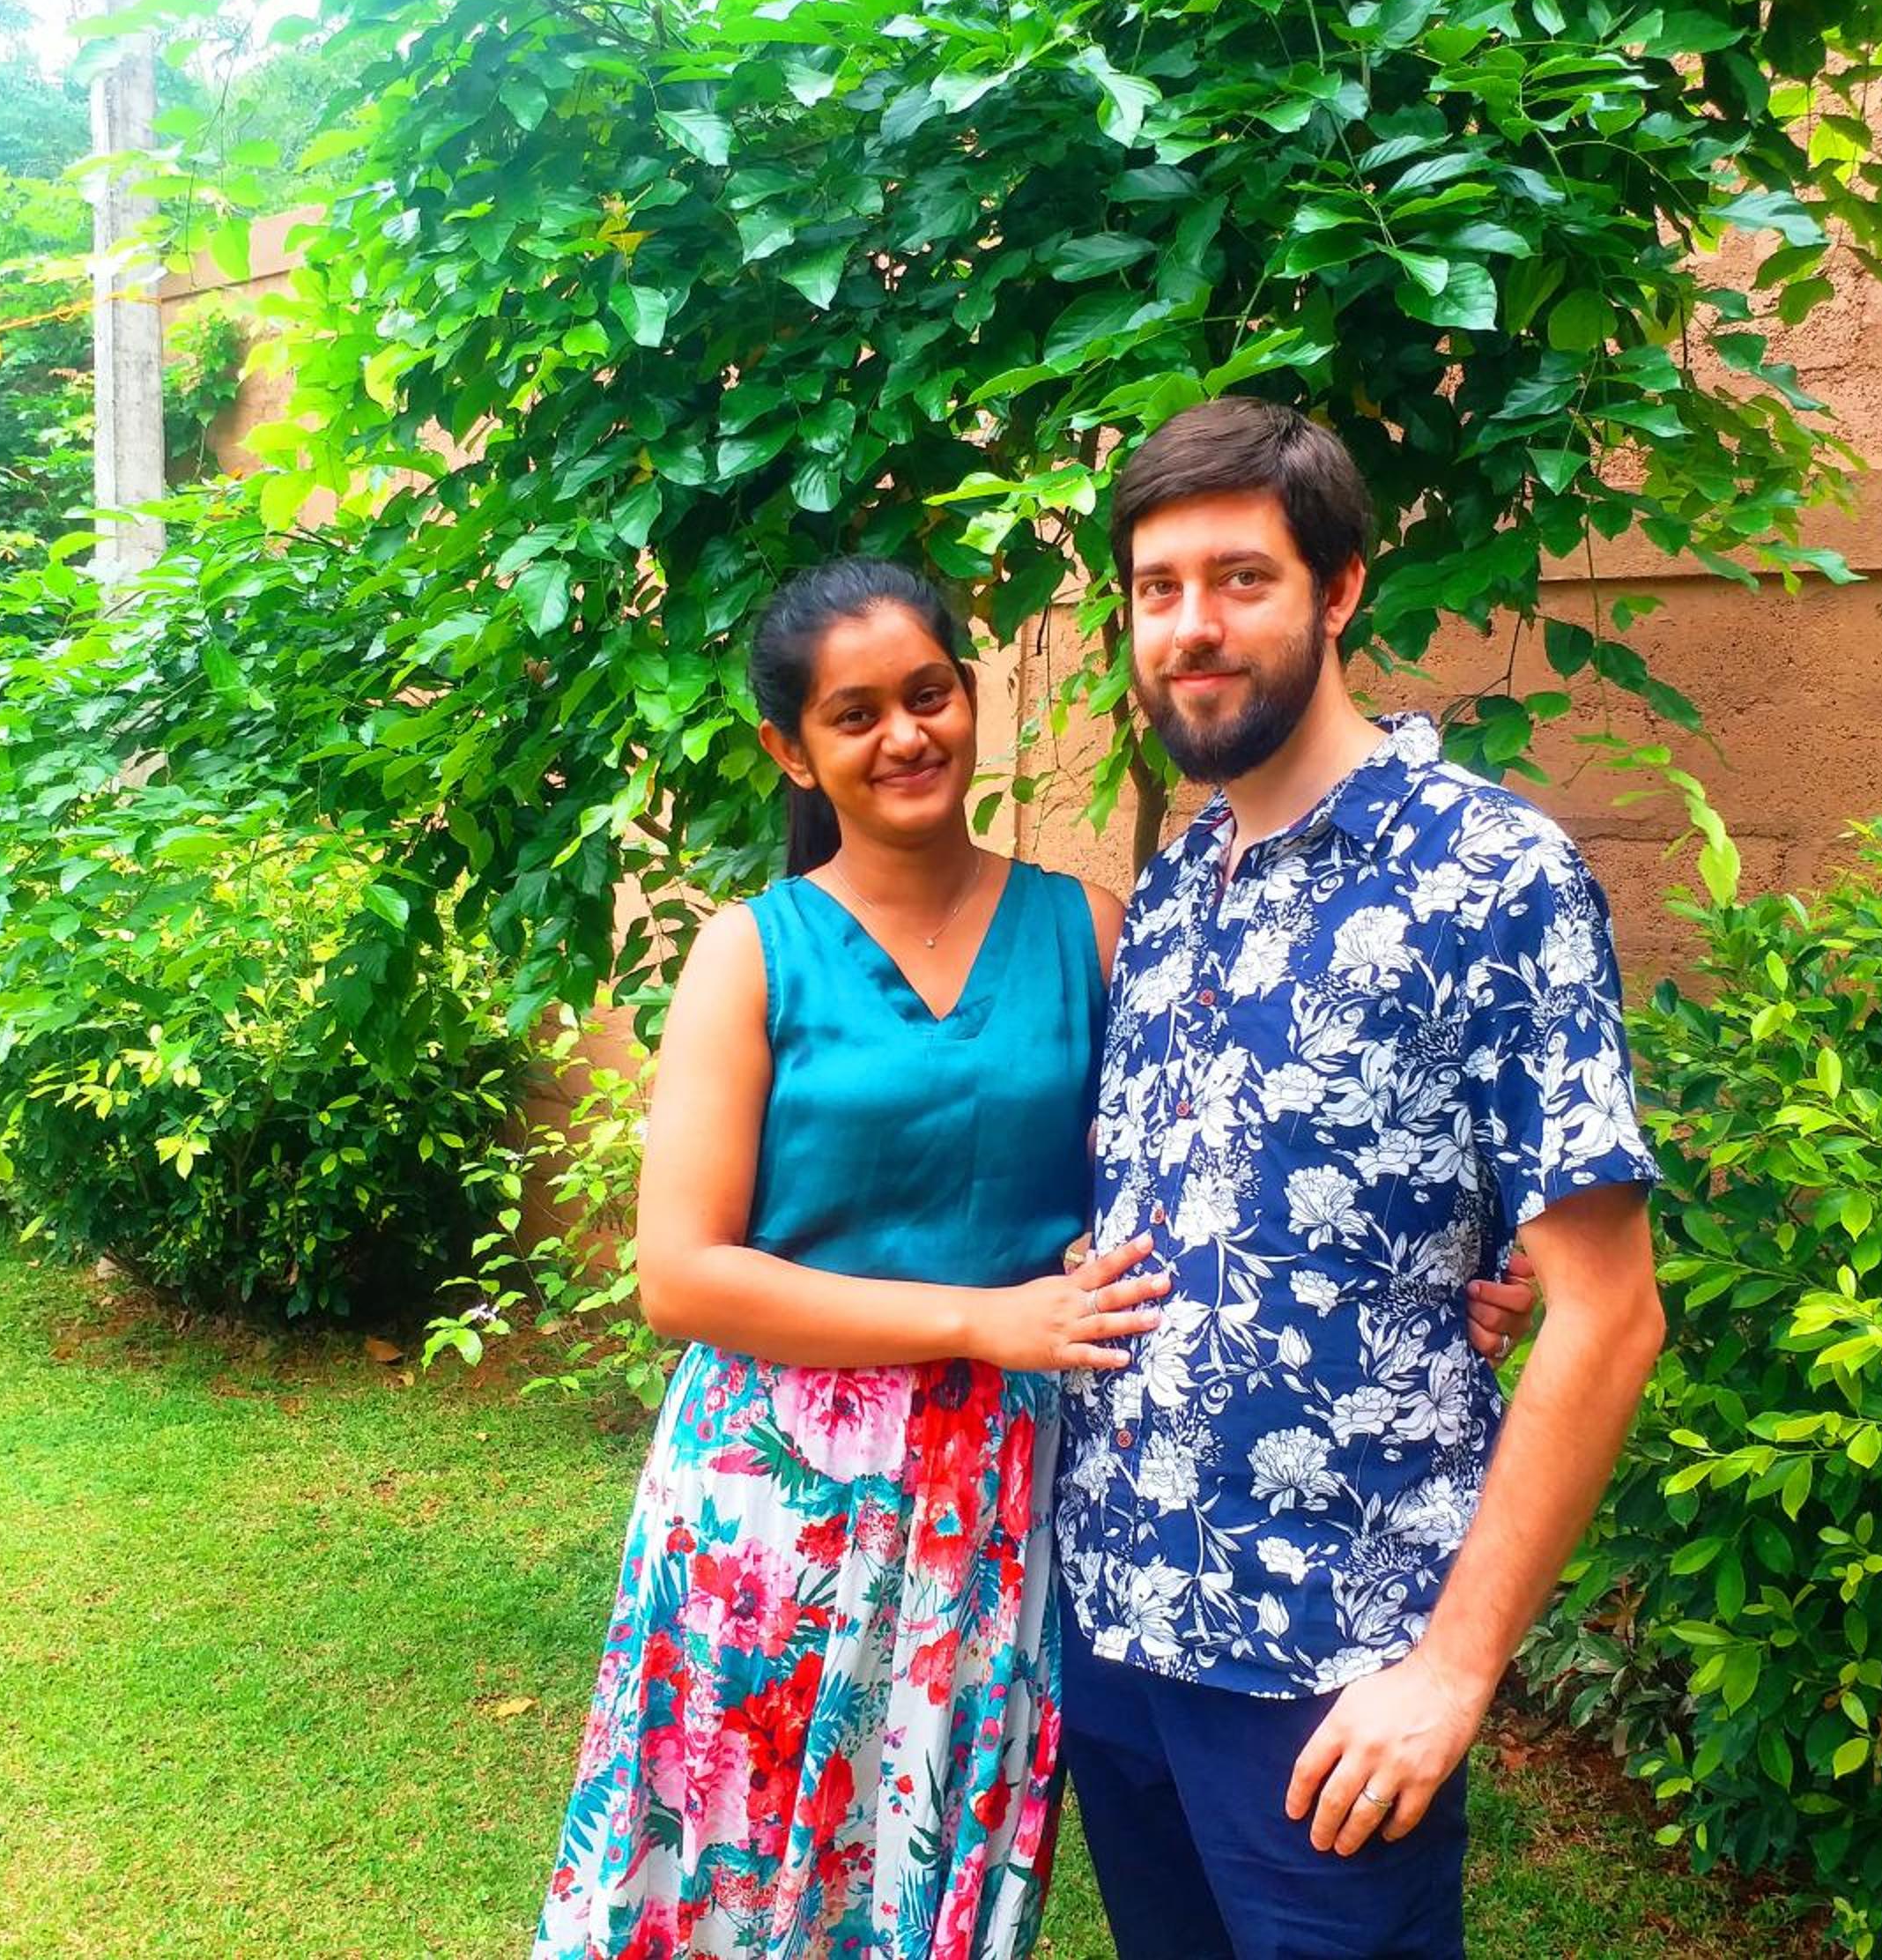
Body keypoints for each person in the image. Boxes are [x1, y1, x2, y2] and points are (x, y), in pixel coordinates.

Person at [530, 553, 1537, 1960]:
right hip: (775, 1497)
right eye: (855, 714)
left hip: (1004, 1502)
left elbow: (1222, 1164)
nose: (905, 735)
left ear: (971, 692)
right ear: (792, 749)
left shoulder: (1090, 929)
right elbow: (679, 1278)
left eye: (929, 693)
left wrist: (1445, 1280)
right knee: (743, 1865)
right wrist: (981, 1320)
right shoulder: (750, 955)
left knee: (929, 1878)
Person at [1054, 398, 1668, 1960]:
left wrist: (1453, 1672)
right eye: (1157, 587)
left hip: (1333, 1671)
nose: (1191, 626)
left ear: (1337, 589)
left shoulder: (1492, 873)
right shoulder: (1177, 884)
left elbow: (1610, 1313)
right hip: (1117, 1627)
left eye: (1240, 578)